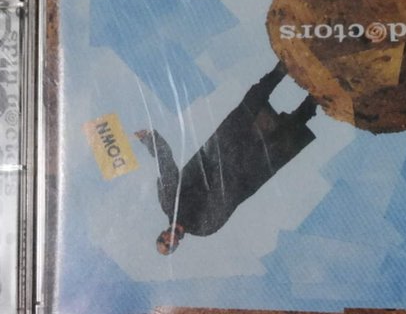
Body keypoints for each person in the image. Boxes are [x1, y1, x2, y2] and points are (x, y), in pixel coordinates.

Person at [135, 62, 317, 255]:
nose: (167, 239)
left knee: (249, 106)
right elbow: (225, 198)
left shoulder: (168, 202)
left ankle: (282, 69)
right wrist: (230, 167)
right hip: (244, 172)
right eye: (168, 245)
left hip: (218, 150)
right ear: (176, 245)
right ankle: (315, 98)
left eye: (162, 239)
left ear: (161, 233)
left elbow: (167, 168)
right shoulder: (204, 227)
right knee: (284, 138)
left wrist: (150, 140)